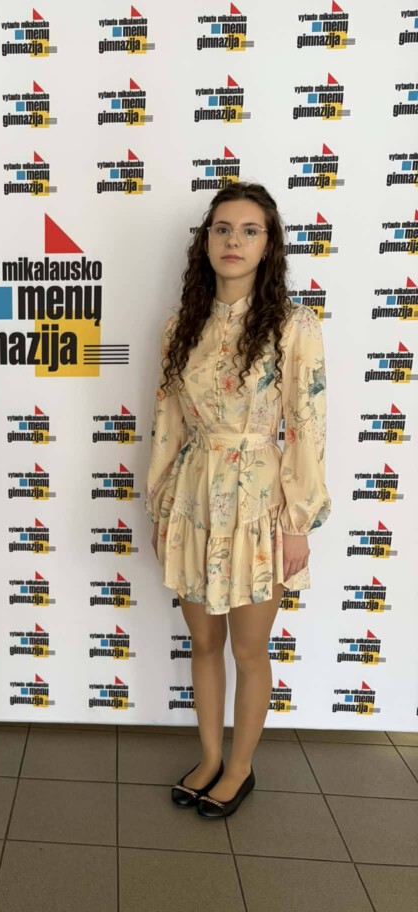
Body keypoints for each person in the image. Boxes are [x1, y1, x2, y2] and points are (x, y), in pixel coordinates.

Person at [146, 181, 330, 818]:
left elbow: (306, 425)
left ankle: (241, 766)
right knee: (203, 644)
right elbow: (168, 422)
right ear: (206, 242)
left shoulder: (294, 326)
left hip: (259, 505)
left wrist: (298, 522)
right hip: (193, 500)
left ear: (268, 244)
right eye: (223, 228)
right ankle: (208, 756)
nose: (234, 241)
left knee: (249, 650)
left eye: (250, 230)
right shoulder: (181, 327)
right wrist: (160, 506)